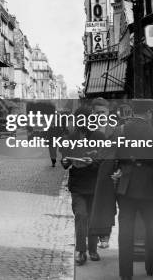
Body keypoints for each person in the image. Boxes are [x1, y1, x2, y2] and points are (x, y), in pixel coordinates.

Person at [114, 101, 153, 280]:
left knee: (125, 231)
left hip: (125, 186)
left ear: (132, 112)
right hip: (148, 187)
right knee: (151, 227)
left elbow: (113, 156)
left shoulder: (121, 130)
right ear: (148, 113)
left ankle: (125, 274)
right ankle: (152, 266)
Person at [60, 107, 103, 266]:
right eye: (78, 120)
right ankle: (81, 251)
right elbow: (65, 160)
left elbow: (105, 159)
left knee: (92, 217)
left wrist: (94, 162)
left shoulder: (99, 136)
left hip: (93, 183)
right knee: (81, 215)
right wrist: (65, 162)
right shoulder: (70, 137)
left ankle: (92, 249)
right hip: (77, 184)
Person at [90, 97, 112, 249]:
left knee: (107, 207)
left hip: (108, 174)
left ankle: (105, 236)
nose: (100, 115)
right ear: (93, 113)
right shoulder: (88, 131)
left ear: (108, 112)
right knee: (92, 205)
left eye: (103, 112)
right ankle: (93, 236)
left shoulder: (115, 130)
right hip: (91, 173)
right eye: (97, 112)